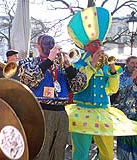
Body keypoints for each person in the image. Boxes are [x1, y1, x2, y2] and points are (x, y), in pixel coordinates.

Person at [66, 6, 137, 160]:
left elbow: (112, 89)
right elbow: (79, 86)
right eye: (94, 44)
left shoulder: (106, 65)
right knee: (81, 154)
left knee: (107, 154)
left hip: (104, 112)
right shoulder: (78, 65)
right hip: (82, 112)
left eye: (99, 43)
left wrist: (112, 71)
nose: (98, 47)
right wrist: (91, 65)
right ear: (86, 47)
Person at [18, 34, 87, 160]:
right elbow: (28, 79)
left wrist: (68, 66)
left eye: (52, 43)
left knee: (58, 151)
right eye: (46, 43)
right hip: (40, 111)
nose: (50, 46)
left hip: (61, 113)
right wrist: (48, 60)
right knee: (41, 151)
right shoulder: (29, 62)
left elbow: (79, 85)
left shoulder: (61, 66)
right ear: (38, 46)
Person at [116, 56, 137, 160]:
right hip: (125, 114)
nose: (135, 65)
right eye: (132, 63)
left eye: (136, 63)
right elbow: (119, 88)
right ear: (127, 63)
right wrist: (132, 78)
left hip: (136, 115)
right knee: (124, 141)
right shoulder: (121, 76)